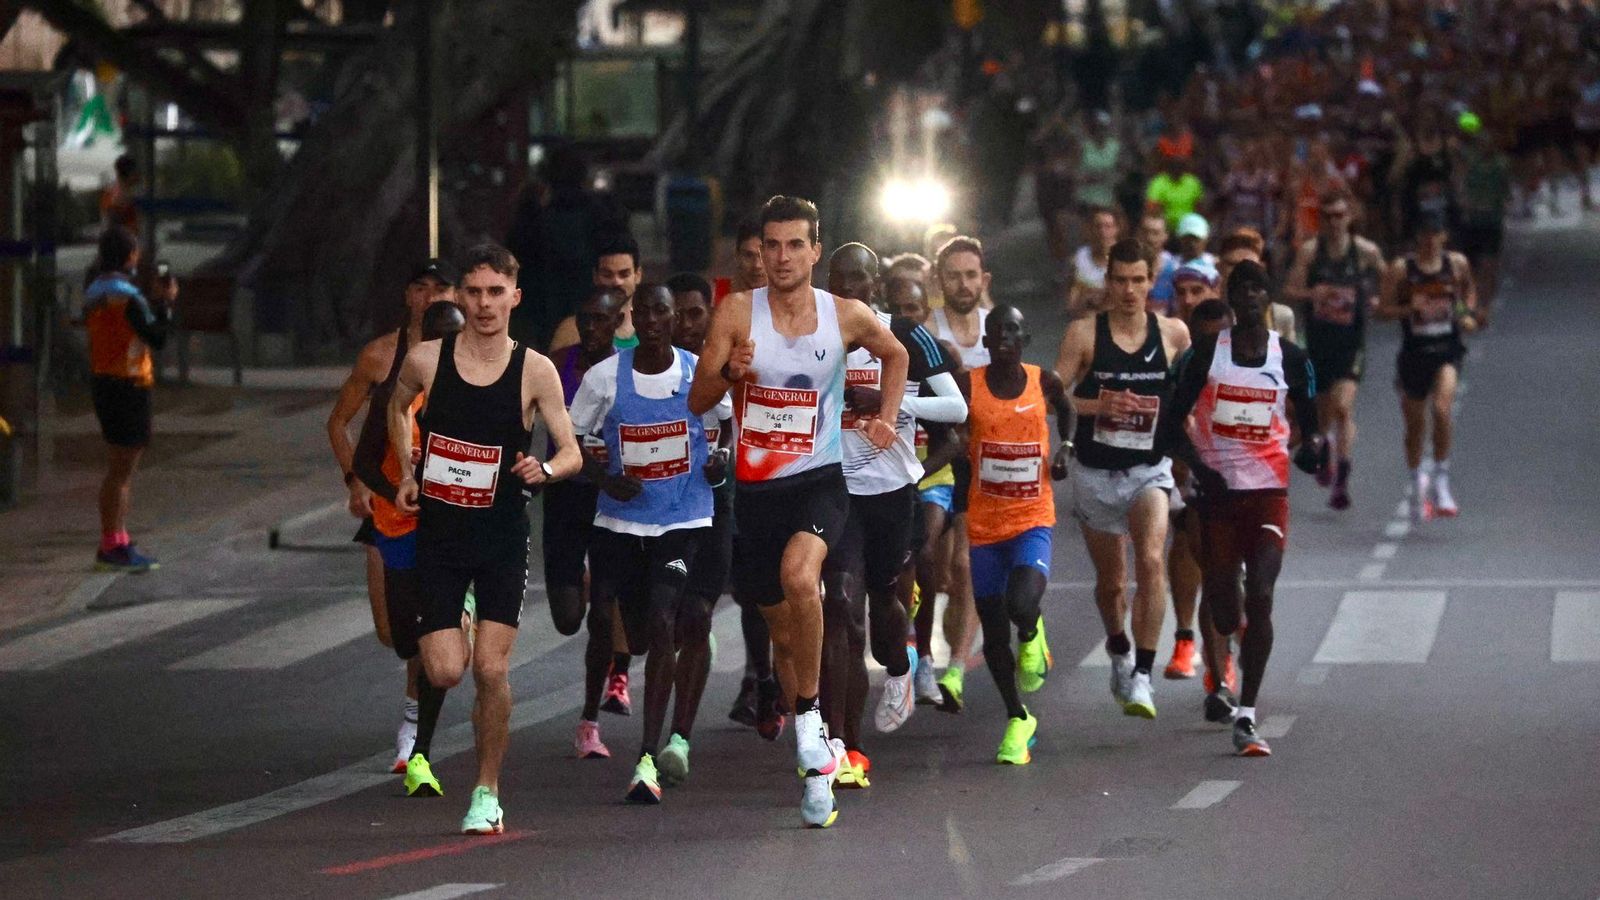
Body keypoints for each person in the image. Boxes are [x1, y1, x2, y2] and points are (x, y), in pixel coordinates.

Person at [689, 195, 908, 829]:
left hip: (818, 481)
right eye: (772, 246)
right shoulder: (736, 311)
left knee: (800, 576)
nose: (782, 258)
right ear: (760, 252)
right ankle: (815, 771)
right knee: (784, 636)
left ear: (815, 250)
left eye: (795, 246)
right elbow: (701, 399)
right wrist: (730, 372)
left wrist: (887, 419)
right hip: (755, 495)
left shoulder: (845, 315)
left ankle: (810, 716)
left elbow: (894, 355)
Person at [389, 242, 583, 835]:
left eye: (496, 292)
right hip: (442, 538)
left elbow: (570, 451)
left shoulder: (534, 370)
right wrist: (407, 470)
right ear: (460, 297)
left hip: (501, 536)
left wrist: (544, 470)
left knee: (491, 673)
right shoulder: (427, 360)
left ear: (514, 298)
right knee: (446, 671)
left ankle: (486, 791)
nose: (483, 304)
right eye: (473, 292)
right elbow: (397, 410)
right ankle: (460, 618)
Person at [567, 284, 730, 803]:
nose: (658, 320)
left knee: (665, 617)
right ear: (633, 319)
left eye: (667, 310)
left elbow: (724, 428)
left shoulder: (696, 372)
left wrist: (719, 460)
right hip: (620, 523)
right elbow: (571, 438)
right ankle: (592, 712)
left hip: (684, 518)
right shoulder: (603, 379)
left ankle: (648, 755)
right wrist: (603, 478)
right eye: (648, 312)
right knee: (622, 629)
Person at [1162, 259, 1323, 756]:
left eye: (1258, 289)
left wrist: (1312, 451)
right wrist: (1199, 466)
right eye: (1241, 290)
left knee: (1262, 594)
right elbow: (1169, 424)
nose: (1250, 297)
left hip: (1268, 494)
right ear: (1231, 300)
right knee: (1227, 611)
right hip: (1217, 496)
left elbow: (1310, 426)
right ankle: (1225, 648)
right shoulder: (1207, 354)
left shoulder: (1292, 359)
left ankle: (1248, 714)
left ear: (1268, 299)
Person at [818, 244, 964, 790]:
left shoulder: (904, 332)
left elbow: (957, 409)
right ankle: (846, 746)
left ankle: (900, 668)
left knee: (882, 607)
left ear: (875, 285)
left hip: (891, 489)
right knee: (841, 608)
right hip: (832, 492)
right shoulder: (810, 336)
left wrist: (890, 402)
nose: (850, 289)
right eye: (839, 280)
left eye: (860, 280)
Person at [328, 258, 457, 772]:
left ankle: (413, 724)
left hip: (444, 513)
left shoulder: (471, 358)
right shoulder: (381, 356)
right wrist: (355, 482)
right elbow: (339, 422)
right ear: (408, 296)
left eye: (441, 287)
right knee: (393, 632)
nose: (430, 296)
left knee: (429, 626)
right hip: (387, 504)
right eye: (421, 287)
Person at [1054, 238, 1191, 719]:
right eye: (1121, 280)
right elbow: (1056, 395)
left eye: (1139, 280)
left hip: (1148, 471)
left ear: (1152, 281)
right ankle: (1119, 649)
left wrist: (1190, 451)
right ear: (1107, 282)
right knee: (1112, 584)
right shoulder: (1085, 333)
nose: (1130, 290)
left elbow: (1191, 398)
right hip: (1095, 472)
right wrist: (1099, 406)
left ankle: (1143, 675)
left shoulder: (1173, 334)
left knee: (1152, 560)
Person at [350, 299, 467, 796]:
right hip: (398, 525)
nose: (447, 349)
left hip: (448, 534)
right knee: (402, 638)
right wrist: (397, 488)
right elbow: (363, 463)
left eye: (456, 339)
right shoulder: (395, 397)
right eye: (438, 339)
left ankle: (420, 745)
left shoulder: (475, 394)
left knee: (430, 637)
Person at [960, 305, 1073, 764]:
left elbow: (1067, 412)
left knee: (1021, 603)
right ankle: (1017, 718)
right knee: (992, 638)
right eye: (996, 331)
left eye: (1012, 329)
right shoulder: (969, 386)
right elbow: (949, 431)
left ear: (1024, 336)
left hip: (1031, 519)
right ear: (986, 341)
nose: (1004, 337)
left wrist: (1066, 447)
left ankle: (1032, 630)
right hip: (984, 526)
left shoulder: (1043, 381)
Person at [546, 288, 634, 759]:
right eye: (586, 320)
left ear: (619, 321)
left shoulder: (634, 366)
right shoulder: (557, 365)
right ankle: (581, 580)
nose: (592, 329)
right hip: (564, 498)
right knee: (566, 619)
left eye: (602, 320)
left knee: (602, 615)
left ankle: (588, 721)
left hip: (609, 504)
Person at [663, 273, 744, 751]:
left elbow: (732, 424)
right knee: (655, 625)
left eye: (696, 313)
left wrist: (724, 456)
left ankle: (678, 739)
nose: (687, 323)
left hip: (716, 507)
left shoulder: (723, 363)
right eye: (677, 313)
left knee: (695, 612)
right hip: (657, 516)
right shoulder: (635, 371)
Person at [885, 276, 969, 710]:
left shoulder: (936, 356)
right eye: (900, 307)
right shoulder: (876, 349)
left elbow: (956, 439)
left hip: (930, 473)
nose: (909, 316)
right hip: (886, 475)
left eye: (916, 309)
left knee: (925, 549)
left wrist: (918, 472)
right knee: (901, 565)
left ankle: (926, 661)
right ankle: (907, 644)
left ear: (927, 313)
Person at [925, 237, 995, 713]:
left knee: (968, 568)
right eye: (954, 275)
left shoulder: (999, 331)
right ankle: (940, 658)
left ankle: (953, 669)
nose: (964, 284)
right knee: (945, 573)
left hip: (989, 466)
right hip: (941, 462)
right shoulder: (926, 333)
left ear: (984, 281)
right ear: (938, 281)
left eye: (972, 275)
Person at [1284, 191, 1384, 511]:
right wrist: (1312, 293)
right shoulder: (1312, 253)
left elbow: (1392, 278)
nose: (1334, 222)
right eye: (1327, 217)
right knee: (1324, 411)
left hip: (1351, 343)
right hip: (1319, 341)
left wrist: (1378, 300)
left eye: (1339, 215)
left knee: (1343, 407)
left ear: (1350, 216)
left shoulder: (1365, 252)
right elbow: (1290, 288)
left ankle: (1342, 475)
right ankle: (1325, 446)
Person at [84, 225, 176, 572]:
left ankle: (119, 538)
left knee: (118, 469)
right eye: (135, 251)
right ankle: (111, 543)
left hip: (104, 382)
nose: (138, 257)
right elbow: (156, 336)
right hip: (128, 384)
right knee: (121, 472)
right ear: (127, 256)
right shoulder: (127, 296)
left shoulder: (96, 290)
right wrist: (166, 303)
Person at [1375, 212, 1478, 522]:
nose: (1431, 241)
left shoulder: (1456, 264)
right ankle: (1416, 480)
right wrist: (1410, 309)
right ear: (1417, 237)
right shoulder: (1401, 269)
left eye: (1436, 234)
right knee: (1415, 426)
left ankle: (1442, 480)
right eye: (1425, 235)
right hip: (1414, 352)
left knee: (1443, 408)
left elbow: (1466, 294)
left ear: (1444, 236)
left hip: (1447, 347)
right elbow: (1382, 311)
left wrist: (1465, 313)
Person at [1452, 112, 1511, 326]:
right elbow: (1458, 180)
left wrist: (1501, 207)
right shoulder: (1469, 163)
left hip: (1491, 221)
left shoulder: (1501, 165)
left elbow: (1506, 193)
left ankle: (1484, 306)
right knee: (1469, 267)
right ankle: (1467, 304)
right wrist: (1464, 202)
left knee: (1489, 265)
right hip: (1472, 221)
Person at [547, 233, 645, 354]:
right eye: (607, 275)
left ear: (638, 275)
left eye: (624, 274)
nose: (616, 282)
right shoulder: (571, 330)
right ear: (595, 276)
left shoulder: (653, 327)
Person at [1218, 228, 1296, 337]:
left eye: (1250, 266)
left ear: (1262, 267)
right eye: (1233, 264)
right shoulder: (1206, 312)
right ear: (1219, 267)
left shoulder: (1280, 316)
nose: (1242, 271)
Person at [1067, 207, 1121, 318]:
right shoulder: (1079, 259)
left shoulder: (1127, 257)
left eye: (1108, 226)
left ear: (1116, 229)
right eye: (1098, 226)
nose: (1103, 232)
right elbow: (1071, 303)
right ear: (1090, 229)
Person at [732, 217, 768, 292]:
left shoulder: (793, 300)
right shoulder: (716, 296)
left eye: (764, 255)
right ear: (736, 255)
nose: (757, 265)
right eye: (749, 255)